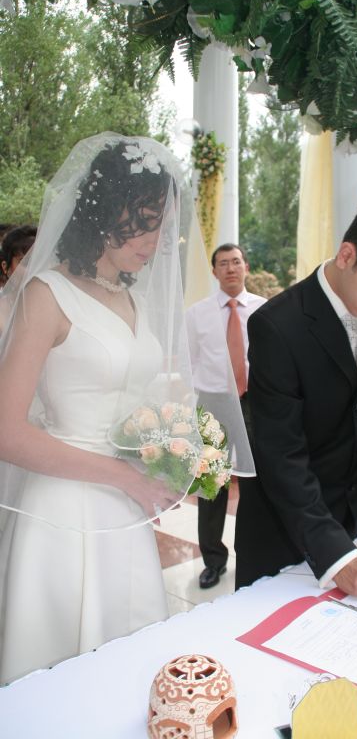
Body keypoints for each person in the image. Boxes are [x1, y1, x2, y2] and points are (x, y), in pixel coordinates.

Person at [0, 134, 205, 684]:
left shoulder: (135, 299)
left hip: (124, 507)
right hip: (62, 508)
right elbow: (6, 432)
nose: (156, 241)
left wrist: (162, 456)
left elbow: (136, 401)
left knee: (124, 661)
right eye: (146, 221)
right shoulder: (46, 295)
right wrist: (124, 476)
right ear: (107, 209)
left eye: (163, 226)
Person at [235, 189, 357, 599]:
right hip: (281, 533)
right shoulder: (276, 325)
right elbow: (281, 455)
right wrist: (337, 557)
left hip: (349, 524)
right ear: (347, 255)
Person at [186, 243, 265, 589]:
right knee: (211, 485)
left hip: (254, 402)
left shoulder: (264, 309)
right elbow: (188, 361)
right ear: (214, 271)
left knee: (256, 483)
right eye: (223, 263)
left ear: (246, 266)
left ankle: (252, 554)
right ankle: (213, 560)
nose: (230, 268)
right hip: (213, 403)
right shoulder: (197, 314)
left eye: (236, 262)